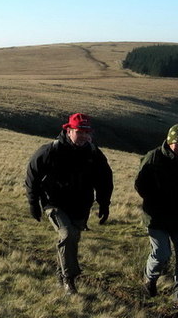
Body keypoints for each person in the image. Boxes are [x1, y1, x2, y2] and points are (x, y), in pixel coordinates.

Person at [25, 113, 114, 295]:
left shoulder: (93, 153)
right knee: (67, 235)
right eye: (79, 132)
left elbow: (105, 180)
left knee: (71, 240)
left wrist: (104, 204)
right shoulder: (50, 151)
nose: (83, 136)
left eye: (86, 132)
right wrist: (33, 203)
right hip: (54, 202)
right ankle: (69, 281)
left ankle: (61, 274)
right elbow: (32, 176)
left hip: (81, 206)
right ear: (68, 130)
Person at [134, 124, 178, 310]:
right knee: (162, 254)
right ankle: (150, 277)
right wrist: (154, 201)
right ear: (170, 142)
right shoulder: (153, 157)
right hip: (157, 217)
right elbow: (140, 184)